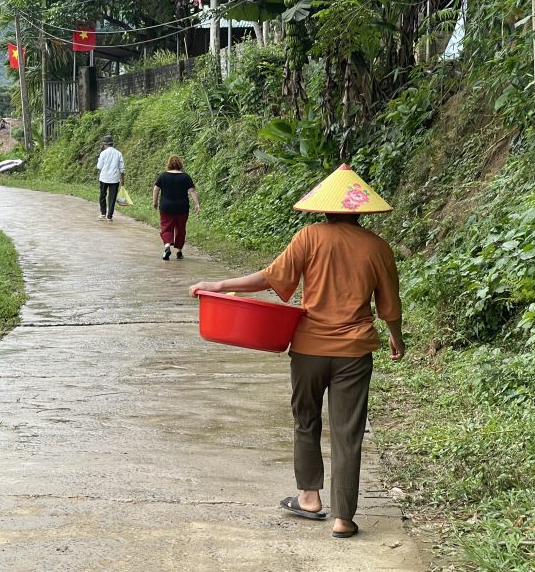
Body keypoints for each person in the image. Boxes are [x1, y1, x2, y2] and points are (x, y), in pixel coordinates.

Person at [189, 165, 404, 539]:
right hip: (354, 351)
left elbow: (269, 278)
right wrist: (396, 336)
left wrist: (220, 284)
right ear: (359, 210)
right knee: (347, 432)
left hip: (308, 349)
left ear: (323, 208)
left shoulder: (309, 237)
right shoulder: (377, 247)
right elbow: (390, 305)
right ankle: (344, 518)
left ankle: (308, 497)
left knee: (306, 419)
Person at [153, 155, 201, 260]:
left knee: (166, 227)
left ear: (169, 164)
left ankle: (167, 246)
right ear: (180, 164)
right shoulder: (186, 177)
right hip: (182, 207)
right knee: (180, 228)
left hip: (166, 206)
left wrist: (155, 202)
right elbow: (192, 191)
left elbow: (156, 189)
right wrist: (197, 204)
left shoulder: (163, 176)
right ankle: (179, 251)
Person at [96, 134, 125, 221]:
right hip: (115, 179)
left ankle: (103, 213)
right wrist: (122, 179)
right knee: (112, 197)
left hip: (104, 178)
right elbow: (122, 168)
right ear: (112, 144)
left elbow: (99, 167)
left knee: (102, 195)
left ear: (105, 144)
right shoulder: (118, 153)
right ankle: (110, 216)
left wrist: (99, 159)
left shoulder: (103, 153)